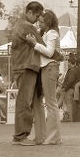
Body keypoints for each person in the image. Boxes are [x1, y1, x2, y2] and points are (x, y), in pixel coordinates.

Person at [11, 1, 47, 146]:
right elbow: (43, 46)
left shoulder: (20, 25)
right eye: (37, 15)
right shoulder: (26, 26)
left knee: (25, 101)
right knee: (25, 102)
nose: (38, 19)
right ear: (30, 12)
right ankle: (20, 136)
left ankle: (21, 134)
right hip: (26, 67)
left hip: (24, 66)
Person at [26, 9, 62, 145]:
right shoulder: (45, 33)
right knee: (42, 102)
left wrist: (35, 44)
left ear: (48, 22)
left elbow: (49, 52)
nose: (39, 24)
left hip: (50, 67)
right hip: (44, 68)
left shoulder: (52, 33)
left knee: (51, 104)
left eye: (41, 22)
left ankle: (53, 137)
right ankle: (46, 136)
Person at [59, 57, 80, 122]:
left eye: (68, 62)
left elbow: (70, 80)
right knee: (63, 98)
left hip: (70, 88)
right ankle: (65, 115)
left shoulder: (74, 70)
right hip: (69, 88)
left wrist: (65, 88)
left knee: (64, 98)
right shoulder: (75, 69)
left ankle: (64, 114)